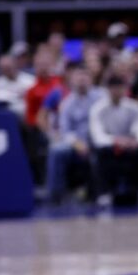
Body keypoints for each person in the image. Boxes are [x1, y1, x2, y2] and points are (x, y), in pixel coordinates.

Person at [89, 73, 138, 208]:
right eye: (113, 88)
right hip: (110, 147)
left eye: (119, 87)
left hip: (129, 146)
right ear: (107, 89)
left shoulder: (134, 107)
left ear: (125, 89)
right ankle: (104, 192)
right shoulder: (98, 109)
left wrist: (136, 139)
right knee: (100, 152)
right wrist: (116, 140)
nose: (116, 91)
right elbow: (98, 136)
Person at [44, 65, 100, 202]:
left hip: (99, 140)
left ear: (91, 79)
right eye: (78, 76)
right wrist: (77, 144)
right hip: (77, 145)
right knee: (57, 151)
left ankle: (101, 193)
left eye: (85, 75)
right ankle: (55, 196)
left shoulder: (101, 97)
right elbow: (65, 131)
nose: (82, 79)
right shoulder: (67, 103)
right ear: (72, 80)